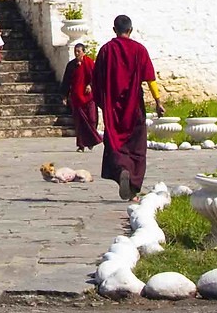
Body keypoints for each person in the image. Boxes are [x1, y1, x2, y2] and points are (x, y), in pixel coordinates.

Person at [96, 14, 164, 199]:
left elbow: (96, 81)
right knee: (137, 147)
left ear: (114, 30)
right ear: (130, 30)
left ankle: (121, 172)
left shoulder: (106, 50)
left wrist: (103, 104)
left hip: (113, 110)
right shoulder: (139, 50)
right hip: (134, 108)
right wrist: (158, 101)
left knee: (115, 145)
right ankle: (133, 187)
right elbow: (150, 78)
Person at [63, 37, 102, 151]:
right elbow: (66, 81)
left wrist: (90, 84)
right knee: (79, 123)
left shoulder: (89, 63)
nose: (76, 53)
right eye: (75, 51)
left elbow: (96, 77)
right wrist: (65, 95)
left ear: (83, 52)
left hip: (89, 97)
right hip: (76, 98)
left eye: (78, 51)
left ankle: (91, 140)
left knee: (92, 119)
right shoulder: (71, 65)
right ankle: (81, 145)